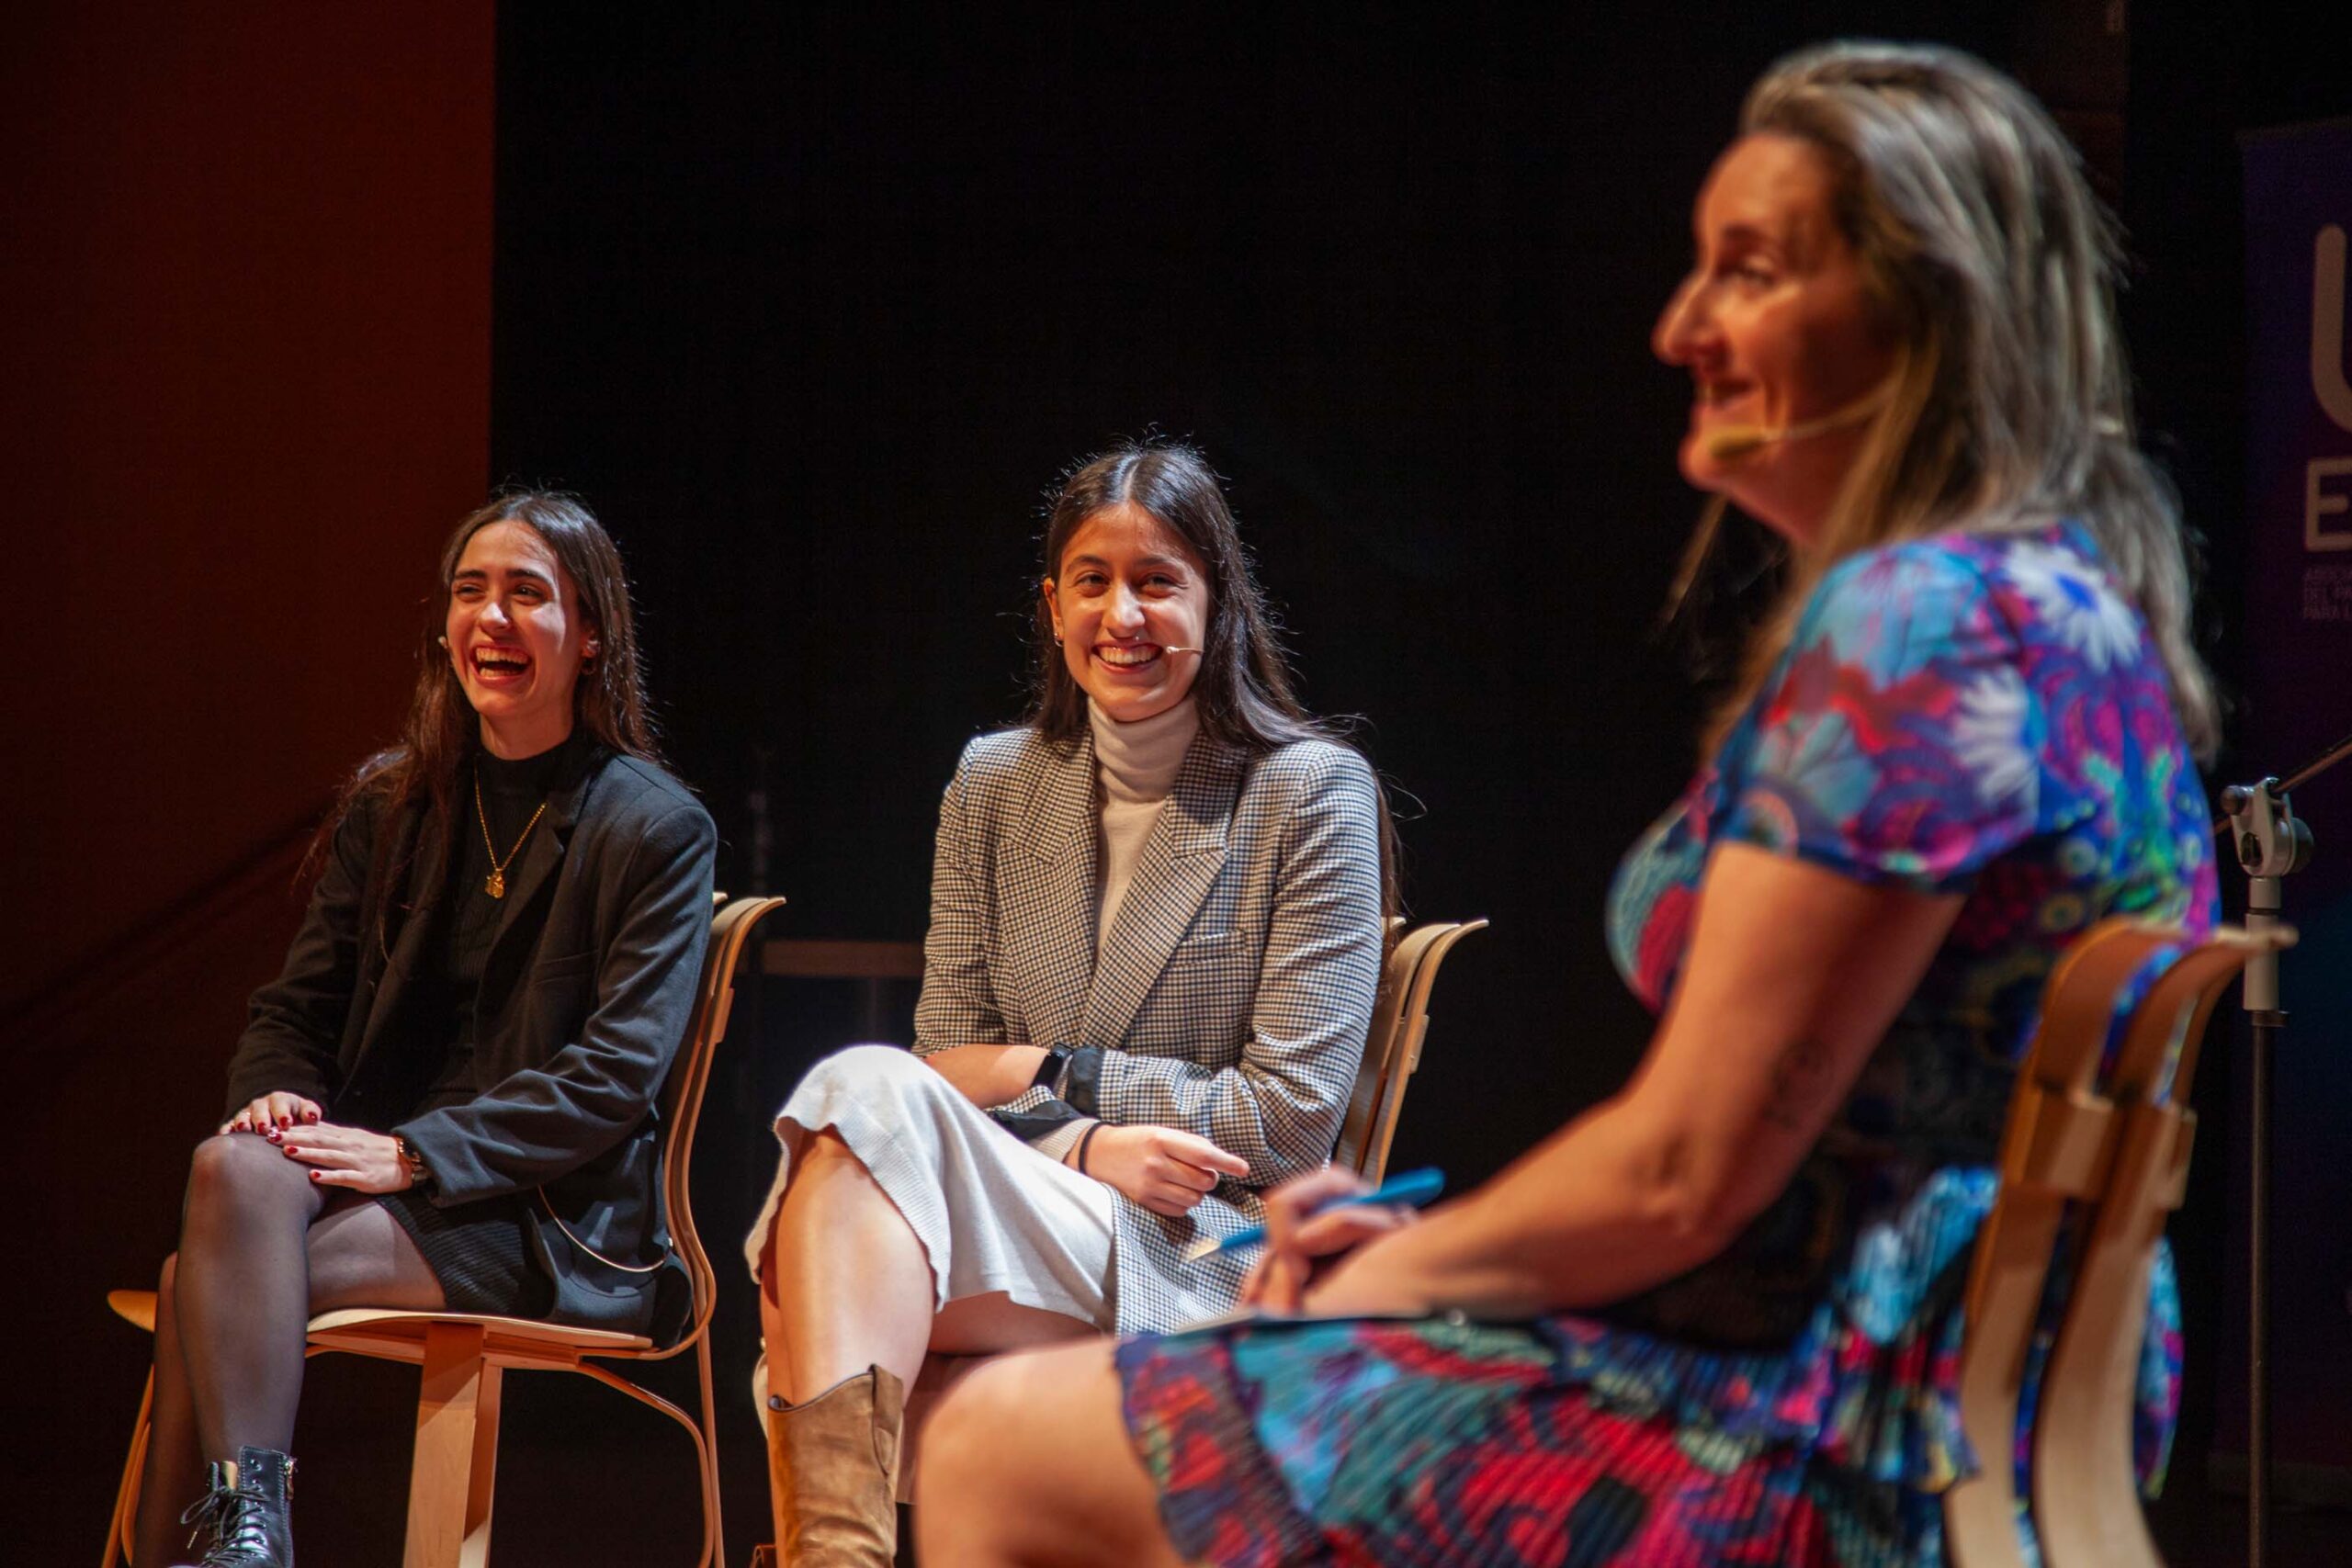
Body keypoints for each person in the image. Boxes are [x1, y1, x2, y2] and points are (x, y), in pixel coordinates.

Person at [913, 41, 2220, 1568]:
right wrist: (1445, 1253)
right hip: (1930, 1368)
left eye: (1748, 271)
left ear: (1928, 303)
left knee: (997, 1441)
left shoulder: (1919, 632)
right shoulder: (2072, 607)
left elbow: (1679, 1175)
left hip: (1827, 1417)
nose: (1680, 327)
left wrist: (1379, 1284)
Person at [745, 441, 1391, 1563]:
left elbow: (1286, 1118)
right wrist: (1083, 1138)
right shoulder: (995, 783)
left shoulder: (1308, 792)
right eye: (1094, 582)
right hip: (1039, 1195)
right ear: (1053, 608)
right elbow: (943, 1062)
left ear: (1216, 602)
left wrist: (1046, 1072)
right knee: (862, 1093)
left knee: (828, 1223)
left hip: (1208, 1235)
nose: (1122, 615)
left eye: (1157, 582)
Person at [133, 493, 717, 1568]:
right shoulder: (395, 804)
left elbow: (615, 1077)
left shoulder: (654, 826)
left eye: (527, 594)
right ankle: (249, 1536)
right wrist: (275, 1091)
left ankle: (218, 1547)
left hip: (540, 1206)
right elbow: (294, 1008)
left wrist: (413, 1154)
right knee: (232, 1166)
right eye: (469, 592)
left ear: (591, 635)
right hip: (380, 1172)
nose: (490, 617)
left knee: (192, 1285)